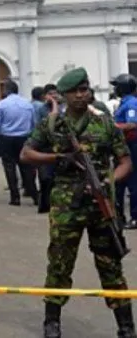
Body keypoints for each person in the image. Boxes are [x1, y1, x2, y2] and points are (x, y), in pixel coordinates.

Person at [20, 68, 135, 338]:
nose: (82, 95)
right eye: (76, 91)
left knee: (111, 265)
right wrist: (58, 159)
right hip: (66, 207)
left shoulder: (104, 124)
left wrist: (107, 182)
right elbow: (26, 153)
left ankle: (126, 325)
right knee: (59, 263)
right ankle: (52, 322)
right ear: (64, 95)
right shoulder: (52, 125)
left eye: (85, 89)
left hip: (100, 205)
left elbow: (125, 162)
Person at [0, 79, 38, 206]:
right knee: (27, 166)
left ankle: (15, 197)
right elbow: (34, 123)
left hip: (7, 138)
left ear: (6, 90)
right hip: (24, 137)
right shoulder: (28, 104)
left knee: (9, 167)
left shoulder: (2, 105)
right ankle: (34, 195)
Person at [111, 74, 137, 229]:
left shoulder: (132, 104)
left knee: (133, 182)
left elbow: (133, 124)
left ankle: (135, 217)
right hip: (123, 145)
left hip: (131, 145)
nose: (115, 89)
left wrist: (112, 128)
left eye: (117, 86)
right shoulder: (124, 103)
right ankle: (119, 216)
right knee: (120, 183)